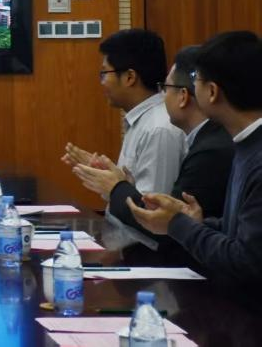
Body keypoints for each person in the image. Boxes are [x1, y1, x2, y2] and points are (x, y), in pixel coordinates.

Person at [128, 31, 262, 285]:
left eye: (195, 79)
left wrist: (178, 224)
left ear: (212, 92)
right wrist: (198, 223)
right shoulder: (245, 143)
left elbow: (246, 261)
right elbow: (240, 231)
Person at [72, 45, 233, 241]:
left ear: (183, 96)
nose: (162, 97)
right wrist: (121, 184)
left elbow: (162, 222)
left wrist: (116, 187)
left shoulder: (206, 150)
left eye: (166, 88)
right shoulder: (204, 139)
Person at [63, 29, 185, 197]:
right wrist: (106, 176)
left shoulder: (158, 130)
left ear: (129, 77)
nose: (102, 82)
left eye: (104, 73)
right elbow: (132, 195)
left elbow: (150, 208)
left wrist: (114, 186)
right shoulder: (141, 120)